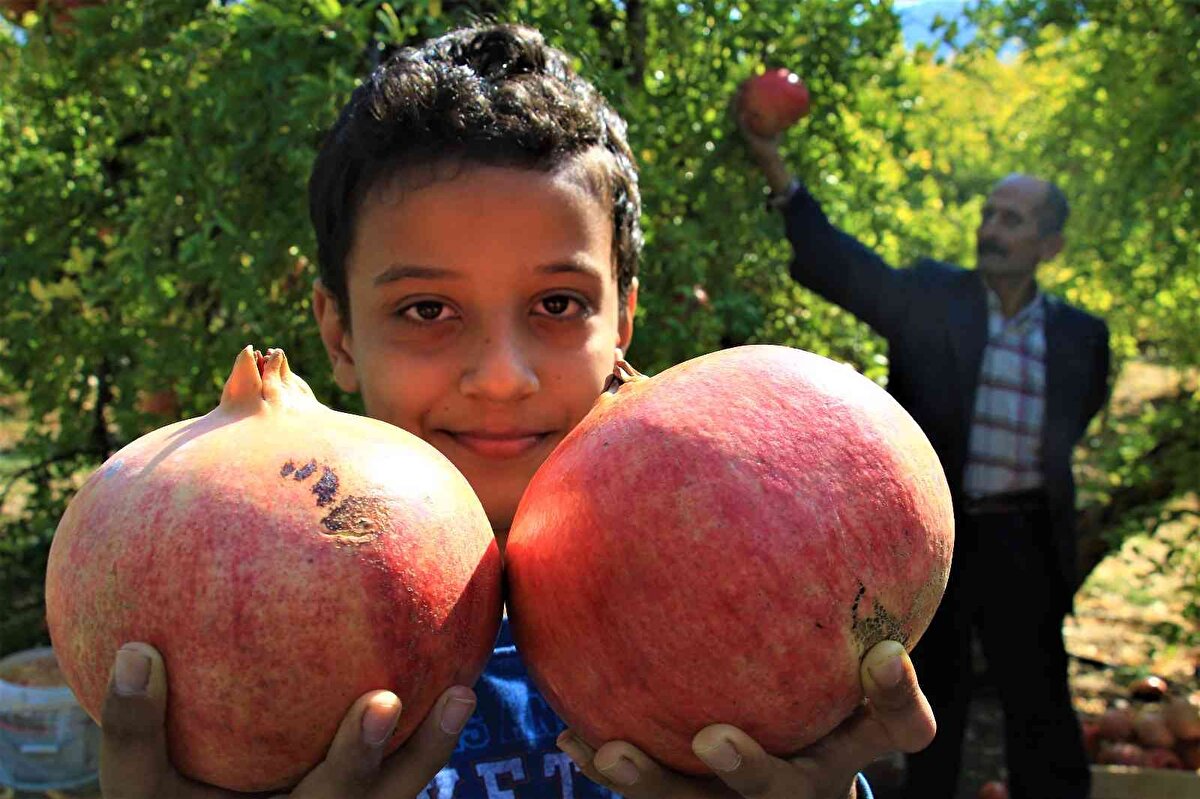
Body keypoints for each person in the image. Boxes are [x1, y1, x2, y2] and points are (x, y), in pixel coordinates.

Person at [92, 25, 938, 799]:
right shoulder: (238, 607)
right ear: (339, 333)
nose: (502, 378)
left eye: (558, 304)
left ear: (623, 322)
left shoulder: (741, 567)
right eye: (427, 309)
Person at [737, 105, 1111, 799]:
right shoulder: (933, 299)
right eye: (989, 214)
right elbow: (843, 266)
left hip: (1028, 538)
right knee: (930, 697)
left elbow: (1077, 416)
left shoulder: (1081, 337)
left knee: (1038, 694)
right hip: (937, 538)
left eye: (1013, 220)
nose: (991, 229)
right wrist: (775, 168)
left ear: (1051, 245)